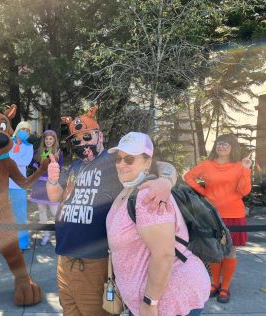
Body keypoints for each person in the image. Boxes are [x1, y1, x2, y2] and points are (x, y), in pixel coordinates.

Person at [46, 106, 178, 316]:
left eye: (86, 136)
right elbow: (56, 196)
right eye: (76, 140)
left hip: (92, 262)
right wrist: (53, 180)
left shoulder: (116, 161)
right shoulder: (75, 167)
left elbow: (162, 165)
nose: (82, 143)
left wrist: (165, 181)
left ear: (100, 136)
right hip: (64, 258)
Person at [106, 132, 210, 316]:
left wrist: (150, 303)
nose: (121, 164)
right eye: (118, 158)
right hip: (148, 299)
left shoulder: (148, 195)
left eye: (129, 159)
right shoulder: (132, 188)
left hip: (167, 301)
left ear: (147, 162)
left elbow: (163, 256)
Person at [184, 133, 252, 304]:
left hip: (234, 214)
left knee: (229, 251)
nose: (222, 146)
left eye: (226, 144)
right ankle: (214, 283)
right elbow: (188, 177)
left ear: (232, 147)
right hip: (212, 214)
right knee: (214, 249)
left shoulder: (239, 166)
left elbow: (244, 191)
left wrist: (245, 169)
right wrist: (204, 192)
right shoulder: (207, 165)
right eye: (219, 143)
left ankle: (225, 287)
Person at [0, 121, 34, 252]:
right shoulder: (6, 142)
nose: (25, 132)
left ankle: (22, 244)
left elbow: (26, 162)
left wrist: (10, 158)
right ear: (17, 129)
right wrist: (11, 158)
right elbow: (0, 157)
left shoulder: (29, 147)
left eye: (28, 131)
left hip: (18, 184)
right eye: (23, 129)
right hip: (2, 183)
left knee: (20, 214)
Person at [29, 130, 63, 245]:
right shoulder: (38, 151)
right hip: (39, 185)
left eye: (51, 138)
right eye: (46, 138)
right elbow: (32, 163)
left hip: (51, 185)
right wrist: (37, 166)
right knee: (42, 211)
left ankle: (61, 234)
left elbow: (60, 168)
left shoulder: (58, 153)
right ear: (44, 140)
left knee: (55, 212)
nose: (48, 141)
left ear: (54, 140)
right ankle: (46, 235)